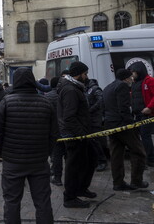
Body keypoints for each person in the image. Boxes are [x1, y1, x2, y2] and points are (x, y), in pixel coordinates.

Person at [0, 67, 58, 224]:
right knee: (43, 201)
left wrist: (2, 153)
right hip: (39, 162)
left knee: (11, 202)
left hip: (12, 162)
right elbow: (54, 133)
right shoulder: (46, 103)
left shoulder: (6, 102)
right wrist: (46, 152)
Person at [57, 61, 97, 208]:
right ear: (79, 74)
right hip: (74, 135)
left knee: (90, 159)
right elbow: (69, 116)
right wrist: (80, 134)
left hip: (81, 133)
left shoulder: (75, 87)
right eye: (85, 74)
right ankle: (70, 197)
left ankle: (81, 188)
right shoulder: (71, 90)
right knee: (73, 166)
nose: (87, 77)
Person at [103, 68, 148, 190]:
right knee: (139, 152)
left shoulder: (108, 87)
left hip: (110, 125)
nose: (132, 79)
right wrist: (130, 124)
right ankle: (136, 181)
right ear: (126, 78)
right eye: (130, 77)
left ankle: (118, 183)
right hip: (122, 125)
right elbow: (123, 108)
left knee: (116, 154)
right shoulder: (122, 86)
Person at [130, 61, 154, 167]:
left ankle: (151, 159)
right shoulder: (134, 83)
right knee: (140, 137)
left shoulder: (149, 81)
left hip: (146, 114)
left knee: (145, 136)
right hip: (137, 114)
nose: (132, 74)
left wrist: (149, 107)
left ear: (138, 71)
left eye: (133, 72)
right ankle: (145, 157)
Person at [45, 77, 65, 187]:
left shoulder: (47, 97)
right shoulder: (64, 95)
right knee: (68, 156)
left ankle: (57, 178)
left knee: (56, 156)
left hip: (54, 131)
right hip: (67, 130)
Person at [85, 78, 107, 172]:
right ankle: (96, 160)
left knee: (96, 141)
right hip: (90, 119)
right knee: (92, 141)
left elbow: (101, 100)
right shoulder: (87, 89)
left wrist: (91, 109)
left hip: (96, 119)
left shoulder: (94, 89)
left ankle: (102, 161)